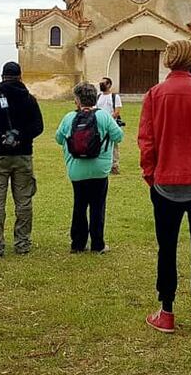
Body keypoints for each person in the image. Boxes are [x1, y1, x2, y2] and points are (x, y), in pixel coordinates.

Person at [139, 40, 191, 334]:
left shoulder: (154, 94)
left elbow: (146, 140)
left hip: (164, 183)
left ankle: (166, 312)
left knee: (167, 248)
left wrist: (151, 174)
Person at [55, 82, 122, 255]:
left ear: (77, 100)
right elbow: (118, 136)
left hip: (77, 170)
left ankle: (78, 243)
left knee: (79, 205)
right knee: (98, 206)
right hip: (100, 170)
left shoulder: (69, 117)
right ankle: (98, 244)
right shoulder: (104, 116)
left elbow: (59, 139)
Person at [0, 62, 45, 257]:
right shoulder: (29, 99)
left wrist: (1, 137)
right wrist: (20, 136)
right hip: (23, 155)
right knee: (24, 201)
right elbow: (38, 126)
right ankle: (22, 243)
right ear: (20, 77)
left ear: (2, 76)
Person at [97, 77, 124, 174]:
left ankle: (114, 166)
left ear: (109, 85)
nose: (101, 85)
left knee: (113, 146)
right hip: (99, 125)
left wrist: (107, 120)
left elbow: (116, 112)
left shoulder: (115, 97)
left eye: (103, 83)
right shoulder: (98, 97)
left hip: (111, 124)